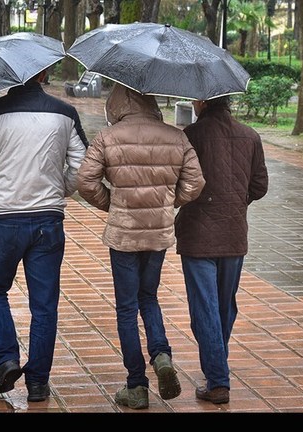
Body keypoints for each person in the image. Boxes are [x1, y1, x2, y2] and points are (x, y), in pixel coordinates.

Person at [77, 84, 206, 410]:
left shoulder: (107, 137)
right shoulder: (176, 137)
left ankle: (136, 385)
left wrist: (113, 204)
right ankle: (161, 355)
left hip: (124, 236)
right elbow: (195, 182)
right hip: (158, 234)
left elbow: (86, 181)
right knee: (148, 298)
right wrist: (166, 204)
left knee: (125, 308)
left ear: (117, 105)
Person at [0, 68, 89, 402]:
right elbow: (82, 165)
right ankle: (38, 382)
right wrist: (58, 189)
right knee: (44, 305)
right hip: (48, 220)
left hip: (4, 219)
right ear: (45, 73)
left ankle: (7, 358)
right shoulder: (65, 113)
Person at [175, 96, 269, 405]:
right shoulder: (251, 136)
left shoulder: (190, 135)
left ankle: (217, 380)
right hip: (233, 235)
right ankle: (217, 366)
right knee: (224, 306)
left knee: (205, 308)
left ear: (202, 102)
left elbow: (179, 183)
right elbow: (259, 186)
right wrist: (235, 204)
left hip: (197, 235)